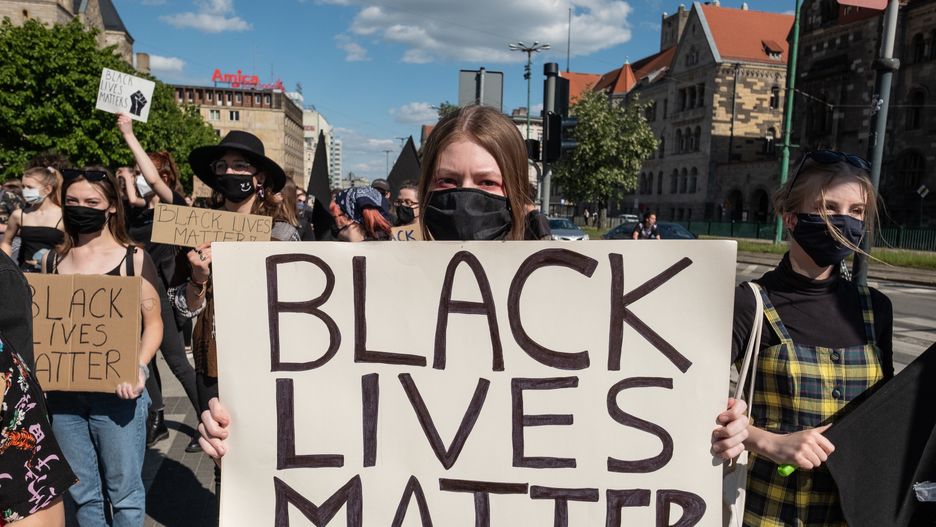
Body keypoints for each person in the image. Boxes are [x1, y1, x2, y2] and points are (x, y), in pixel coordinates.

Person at [198, 105, 748, 465]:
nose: (466, 195)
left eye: (487, 182)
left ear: (517, 194)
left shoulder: (575, 297)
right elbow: (319, 393)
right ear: (426, 188)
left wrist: (714, 431)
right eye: (448, 181)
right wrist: (247, 430)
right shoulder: (369, 288)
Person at [731, 151, 893, 526]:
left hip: (857, 511)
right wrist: (769, 442)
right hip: (770, 510)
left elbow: (887, 413)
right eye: (828, 207)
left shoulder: (876, 309)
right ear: (791, 218)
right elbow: (688, 404)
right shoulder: (750, 303)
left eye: (856, 211)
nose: (844, 221)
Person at [41, 166, 163, 526]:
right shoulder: (51, 260)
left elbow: (154, 324)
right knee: (83, 494)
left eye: (91, 202)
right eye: (72, 201)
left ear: (111, 206)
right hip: (63, 399)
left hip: (118, 395)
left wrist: (139, 367)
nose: (81, 208)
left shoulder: (133, 259)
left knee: (124, 494)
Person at [116, 113, 201, 449]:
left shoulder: (174, 208)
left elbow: (151, 179)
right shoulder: (135, 212)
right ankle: (157, 418)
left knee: (177, 362)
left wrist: (129, 134)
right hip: (133, 293)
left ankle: (205, 420)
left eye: (141, 173)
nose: (139, 178)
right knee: (143, 358)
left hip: (162, 295)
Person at [0, 167, 65, 272]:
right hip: (26, 273)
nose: (25, 191)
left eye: (30, 187)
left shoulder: (63, 216)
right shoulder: (19, 215)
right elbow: (6, 242)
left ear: (47, 189)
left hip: (55, 274)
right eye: (23, 187)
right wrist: (6, 266)